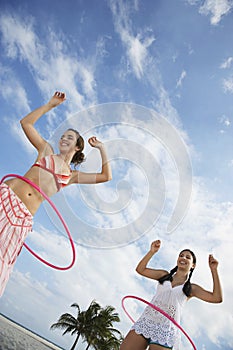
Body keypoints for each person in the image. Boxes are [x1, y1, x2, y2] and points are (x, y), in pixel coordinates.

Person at [0, 91, 112, 296]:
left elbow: (106, 176)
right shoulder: (46, 151)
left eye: (69, 137)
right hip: (6, 198)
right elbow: (26, 123)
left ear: (78, 146)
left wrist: (102, 148)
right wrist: (50, 105)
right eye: (63, 136)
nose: (63, 138)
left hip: (21, 219)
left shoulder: (72, 176)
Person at [120, 239, 222, 350]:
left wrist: (214, 270)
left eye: (188, 257)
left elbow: (216, 298)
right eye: (181, 255)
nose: (183, 258)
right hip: (146, 321)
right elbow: (140, 270)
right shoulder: (163, 275)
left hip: (166, 330)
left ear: (193, 265)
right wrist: (152, 252)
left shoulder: (191, 288)